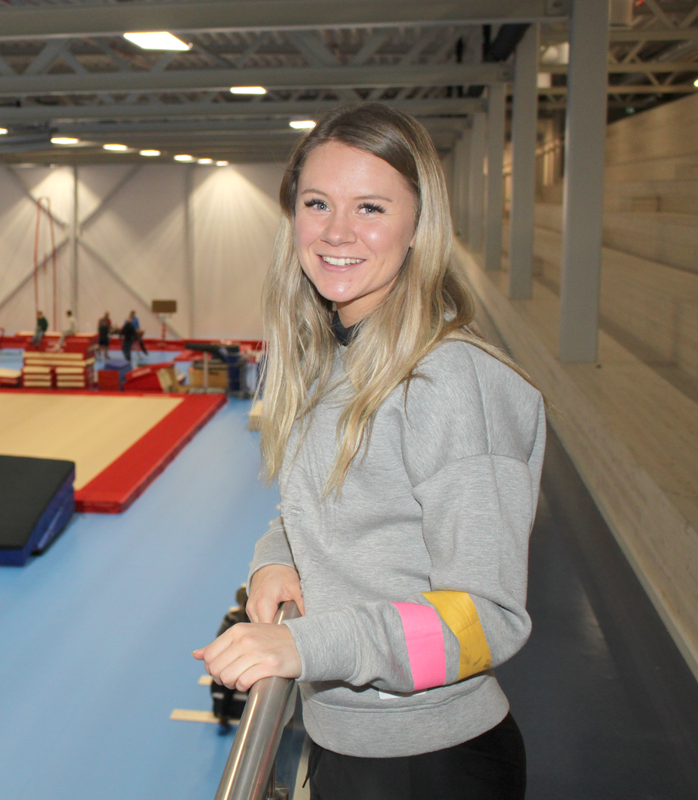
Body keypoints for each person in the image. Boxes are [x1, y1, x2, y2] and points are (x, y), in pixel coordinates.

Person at [193, 103, 545, 800]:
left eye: (371, 208)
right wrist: (276, 559)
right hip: (343, 741)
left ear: (419, 226)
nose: (337, 232)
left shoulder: (452, 382)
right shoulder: (333, 359)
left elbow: (486, 615)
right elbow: (317, 510)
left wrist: (305, 644)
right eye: (317, 203)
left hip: (432, 762)